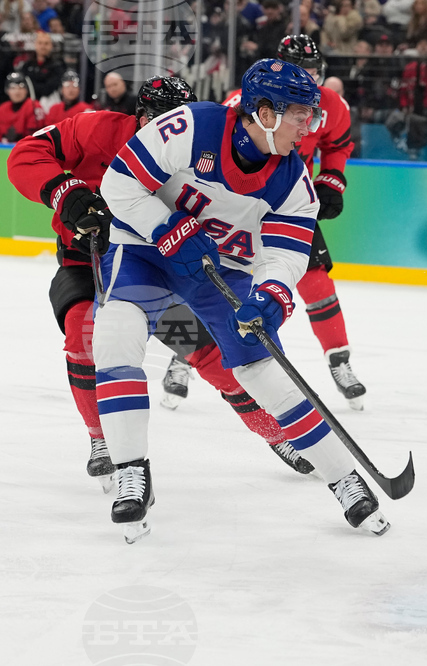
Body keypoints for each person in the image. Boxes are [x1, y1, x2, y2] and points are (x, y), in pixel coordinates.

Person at [93, 59, 389, 543]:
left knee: (261, 371)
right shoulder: (188, 127)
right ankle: (132, 472)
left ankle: (344, 477)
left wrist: (271, 296)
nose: (309, 127)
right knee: (115, 333)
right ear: (266, 113)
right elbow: (118, 185)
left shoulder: (294, 183)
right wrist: (167, 228)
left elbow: (285, 257)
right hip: (146, 249)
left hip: (218, 268)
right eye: (300, 115)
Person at [8, 76, 315, 495]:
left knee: (211, 357)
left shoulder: (193, 147)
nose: (164, 130)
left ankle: (276, 432)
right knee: (85, 333)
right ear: (139, 117)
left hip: (157, 267)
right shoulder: (96, 129)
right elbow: (26, 152)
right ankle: (103, 439)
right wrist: (63, 189)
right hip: (89, 259)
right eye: (156, 120)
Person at [222, 34, 367, 410]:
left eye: (314, 72)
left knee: (315, 278)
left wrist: (331, 180)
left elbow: (337, 145)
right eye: (301, 72)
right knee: (215, 284)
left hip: (290, 202)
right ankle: (184, 361)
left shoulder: (330, 105)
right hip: (239, 203)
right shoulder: (248, 101)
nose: (309, 80)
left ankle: (339, 359)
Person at [17, 31, 64, 103]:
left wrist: (32, 85)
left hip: (49, 103)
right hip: (28, 103)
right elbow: (22, 86)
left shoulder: (57, 65)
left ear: (51, 46)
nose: (43, 46)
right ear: (35, 45)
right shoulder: (27, 65)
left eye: (46, 43)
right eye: (40, 43)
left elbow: (47, 89)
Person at [0, 71, 43, 141]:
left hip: (27, 147)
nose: (17, 92)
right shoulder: (2, 108)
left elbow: (35, 135)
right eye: (13, 88)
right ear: (7, 90)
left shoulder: (34, 106)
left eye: (21, 87)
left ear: (26, 90)